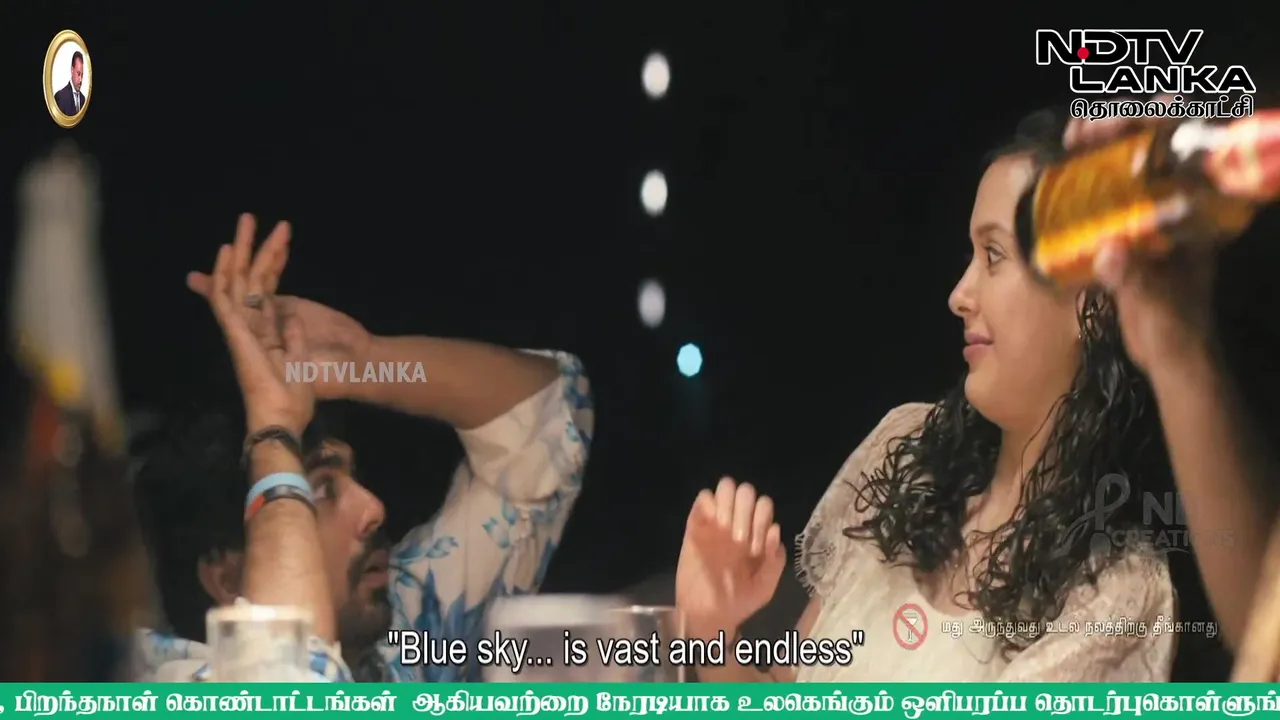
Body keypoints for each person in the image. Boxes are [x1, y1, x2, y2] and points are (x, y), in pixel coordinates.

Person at [675, 108, 1184, 682]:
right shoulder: (907, 452)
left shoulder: (1117, 591)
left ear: (1090, 298)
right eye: (970, 256)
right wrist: (711, 631)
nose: (959, 295)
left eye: (993, 256)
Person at [132, 215, 593, 682]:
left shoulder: (397, 649)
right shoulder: (156, 684)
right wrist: (272, 433)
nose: (373, 507)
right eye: (319, 491)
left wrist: (364, 364)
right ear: (228, 579)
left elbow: (546, 420)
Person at [53, 51, 87, 117]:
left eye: (82, 75)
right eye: (78, 74)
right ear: (72, 70)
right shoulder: (60, 97)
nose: (80, 79)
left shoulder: (83, 100)